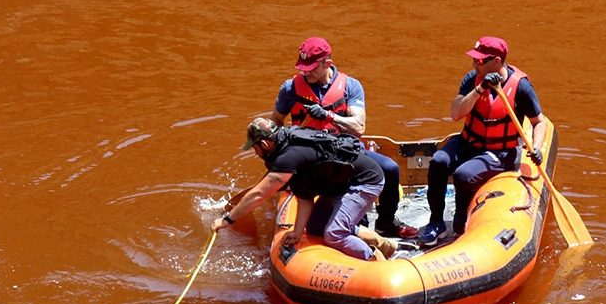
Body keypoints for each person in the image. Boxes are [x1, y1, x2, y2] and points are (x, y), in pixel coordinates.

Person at [269, 36, 418, 239]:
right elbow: (275, 122)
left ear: (326, 64)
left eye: (311, 67)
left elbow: (359, 127)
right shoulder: (290, 89)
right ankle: (355, 224)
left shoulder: (351, 86)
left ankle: (386, 222)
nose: (305, 72)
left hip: (346, 150)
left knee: (390, 169)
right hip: (312, 156)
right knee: (327, 213)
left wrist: (330, 116)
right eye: (303, 67)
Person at [418, 36, 548, 246]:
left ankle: (460, 225)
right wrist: (479, 90)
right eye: (474, 60)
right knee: (438, 162)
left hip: (501, 152)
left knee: (463, 175)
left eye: (480, 61)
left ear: (496, 61)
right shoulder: (472, 79)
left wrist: (537, 146)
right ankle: (436, 223)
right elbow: (456, 113)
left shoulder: (522, 87)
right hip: (469, 143)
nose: (474, 64)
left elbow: (538, 122)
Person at [211, 118, 398, 261]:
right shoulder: (287, 147)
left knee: (335, 234)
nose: (255, 152)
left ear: (265, 144)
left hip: (363, 181)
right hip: (340, 183)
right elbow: (305, 196)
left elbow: (260, 193)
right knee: (316, 228)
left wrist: (228, 220)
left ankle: (374, 262)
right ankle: (386, 245)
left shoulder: (289, 156)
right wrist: (298, 231)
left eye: (255, 148)